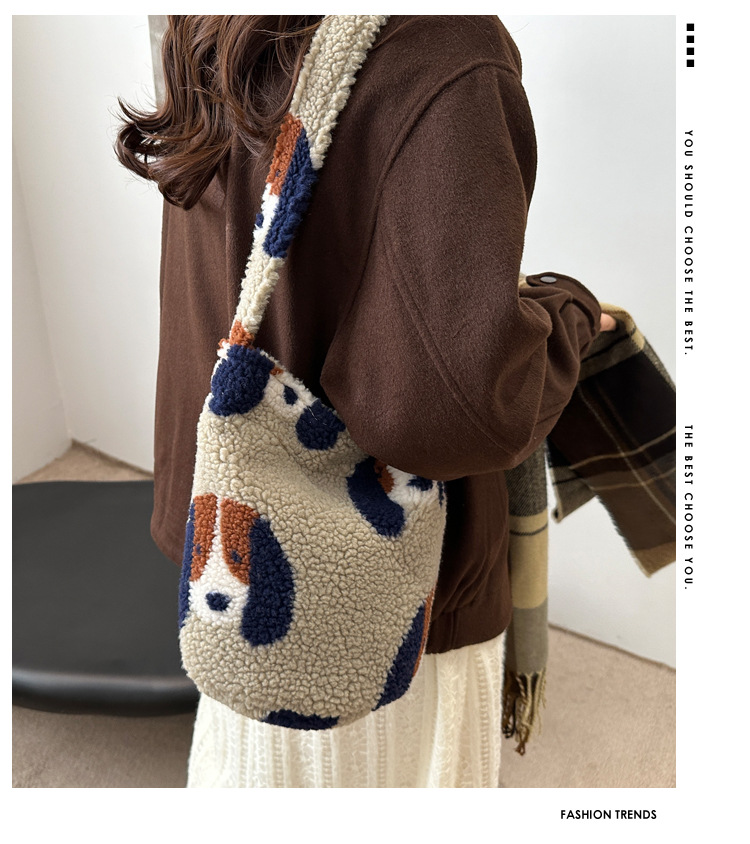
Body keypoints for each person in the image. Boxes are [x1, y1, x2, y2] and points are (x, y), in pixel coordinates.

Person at [115, 14, 615, 788]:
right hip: (375, 593)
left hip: (228, 536)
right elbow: (453, 412)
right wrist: (568, 315)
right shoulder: (446, 47)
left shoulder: (216, 19)